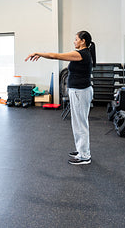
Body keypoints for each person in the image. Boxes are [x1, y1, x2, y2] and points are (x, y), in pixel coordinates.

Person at [25, 30, 96, 165]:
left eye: (76, 39)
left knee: (80, 124)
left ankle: (85, 155)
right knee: (78, 123)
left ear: (83, 41)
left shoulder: (81, 54)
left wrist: (38, 53)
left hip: (80, 92)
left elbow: (55, 56)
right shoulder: (83, 53)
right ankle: (81, 150)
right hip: (79, 92)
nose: (74, 41)